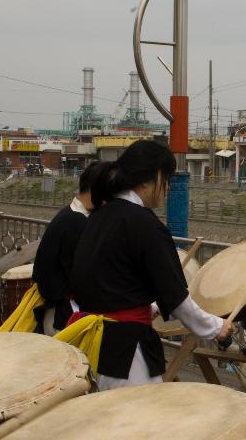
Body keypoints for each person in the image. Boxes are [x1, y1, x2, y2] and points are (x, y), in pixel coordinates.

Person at [69, 140, 232, 388]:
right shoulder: (144, 224)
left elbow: (113, 282)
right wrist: (216, 327)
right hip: (126, 352)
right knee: (139, 422)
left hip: (90, 341)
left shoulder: (100, 216)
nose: (166, 189)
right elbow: (175, 297)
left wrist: (149, 306)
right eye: (166, 180)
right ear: (153, 176)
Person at [33, 162, 99, 332]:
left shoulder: (69, 215)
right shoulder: (76, 222)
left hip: (56, 312)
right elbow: (81, 278)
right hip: (64, 317)